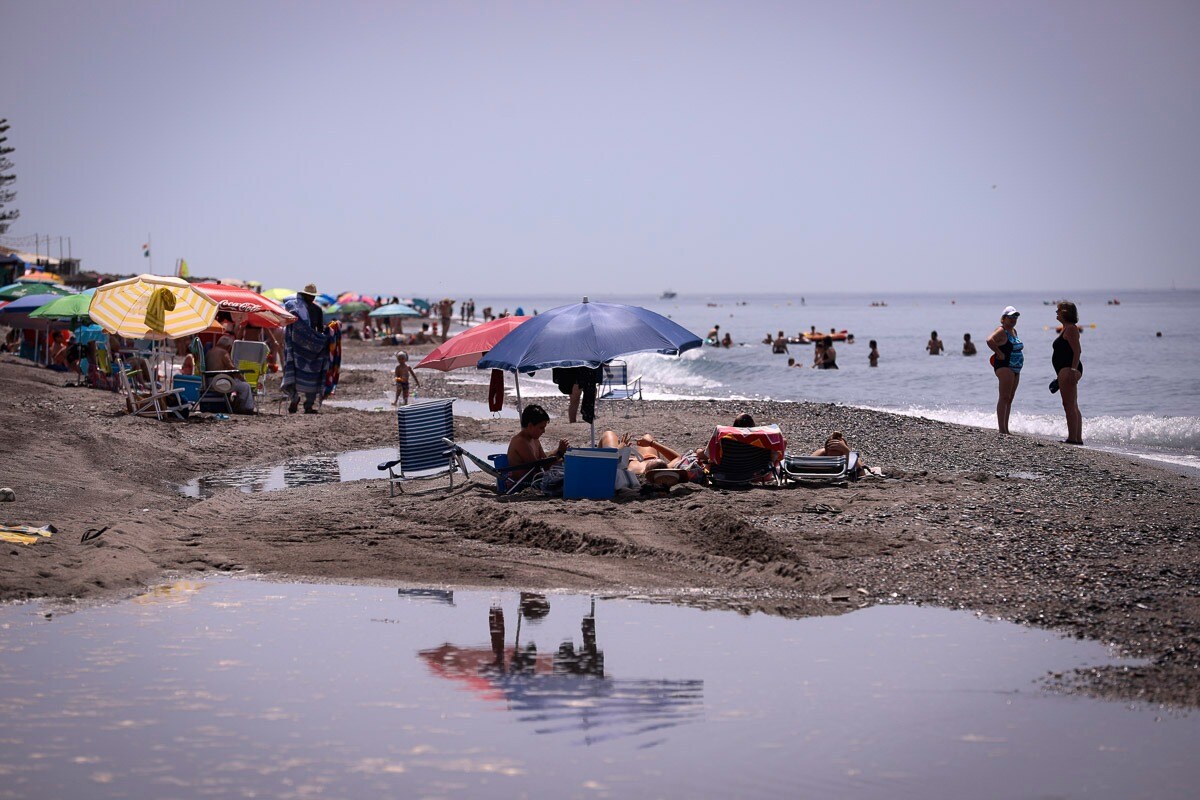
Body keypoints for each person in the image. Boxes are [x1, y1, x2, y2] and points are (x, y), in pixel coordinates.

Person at [282, 283, 332, 414]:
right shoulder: (313, 309)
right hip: (311, 348)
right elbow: (320, 330)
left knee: (293, 370)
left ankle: (296, 399)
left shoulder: (296, 308)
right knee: (313, 375)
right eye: (311, 296)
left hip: (297, 347)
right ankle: (306, 404)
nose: (312, 298)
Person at [508, 404, 570, 483]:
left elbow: (543, 460)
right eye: (541, 428)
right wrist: (559, 453)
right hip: (524, 482)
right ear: (530, 426)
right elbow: (539, 467)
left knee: (567, 465)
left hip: (536, 478)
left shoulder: (534, 439)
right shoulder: (520, 442)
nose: (543, 431)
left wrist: (560, 451)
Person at [986, 306, 1023, 435]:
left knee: (1010, 398)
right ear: (1004, 318)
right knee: (1004, 397)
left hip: (1016, 368)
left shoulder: (1014, 331)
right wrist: (998, 352)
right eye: (1011, 317)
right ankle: (1002, 430)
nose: (1013, 319)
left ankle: (1006, 429)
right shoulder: (1001, 330)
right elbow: (989, 340)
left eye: (1015, 317)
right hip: (1004, 366)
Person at [1051, 300, 1084, 444]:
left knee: (1069, 404)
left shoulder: (1071, 328)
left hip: (1069, 368)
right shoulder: (1066, 328)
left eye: (1058, 310)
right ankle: (1077, 438)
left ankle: (1073, 438)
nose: (1056, 313)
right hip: (1065, 369)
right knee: (1072, 404)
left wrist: (1072, 369)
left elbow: (1077, 350)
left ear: (1065, 312)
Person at [207, 335, 256, 413]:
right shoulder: (223, 353)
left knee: (238, 384)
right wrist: (242, 378)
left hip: (209, 382)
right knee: (245, 386)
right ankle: (246, 408)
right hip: (219, 383)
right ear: (229, 346)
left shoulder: (210, 351)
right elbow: (232, 368)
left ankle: (236, 405)